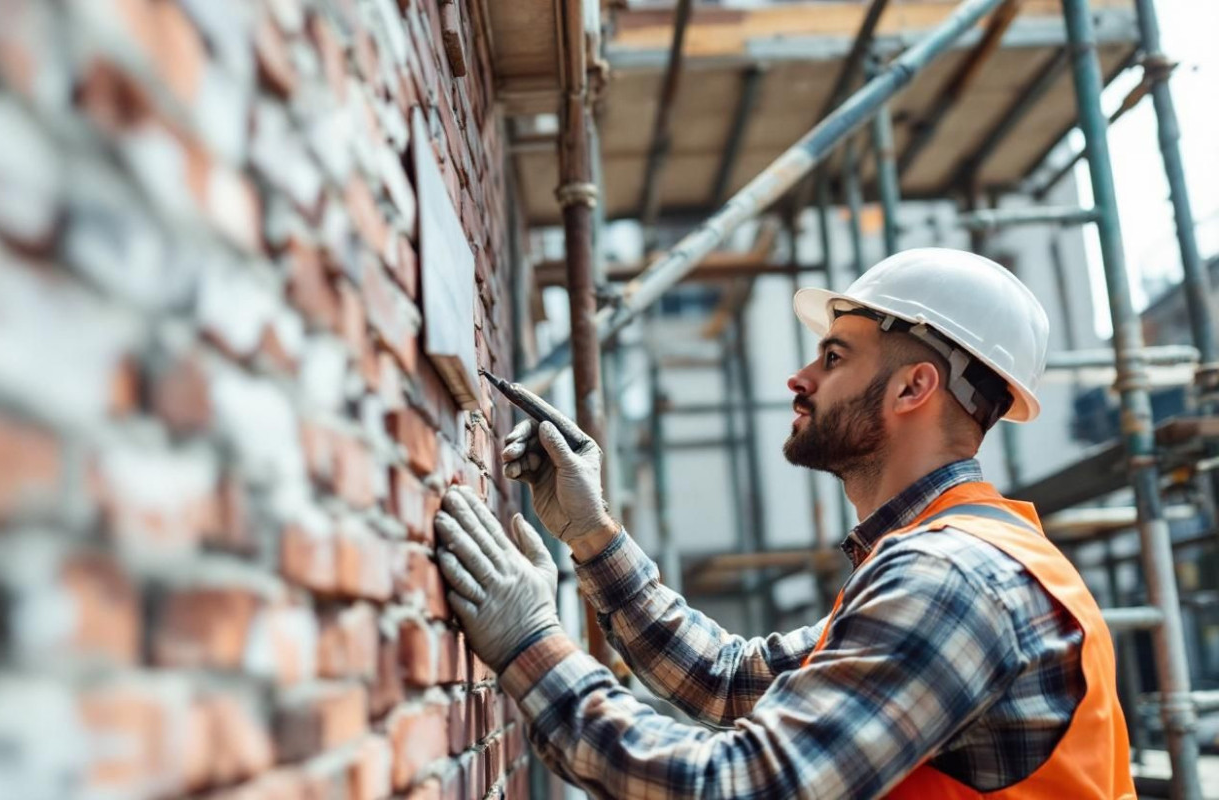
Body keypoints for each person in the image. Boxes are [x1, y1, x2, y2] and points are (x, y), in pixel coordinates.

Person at [434, 248, 1136, 798]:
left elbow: (740, 786)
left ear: (913, 387)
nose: (798, 378)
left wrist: (531, 645)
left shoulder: (952, 578)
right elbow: (728, 678)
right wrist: (595, 538)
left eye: (834, 357)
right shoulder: (947, 555)